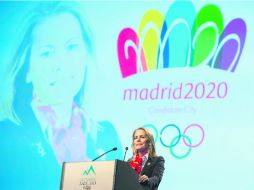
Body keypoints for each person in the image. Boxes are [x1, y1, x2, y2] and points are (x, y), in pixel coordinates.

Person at [0, 2, 123, 189]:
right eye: (47, 53)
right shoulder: (6, 138)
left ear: (85, 56)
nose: (62, 63)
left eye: (72, 47)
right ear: (27, 70)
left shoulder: (106, 135)